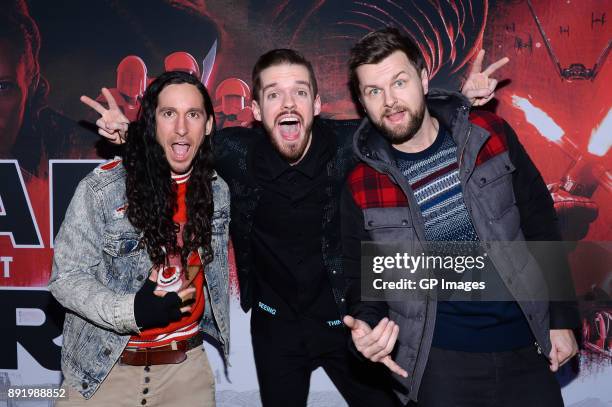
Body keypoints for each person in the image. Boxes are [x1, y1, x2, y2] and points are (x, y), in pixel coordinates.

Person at [85, 48, 506, 406]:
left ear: (317, 104)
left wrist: (461, 103)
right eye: (274, 94)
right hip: (275, 327)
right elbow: (180, 138)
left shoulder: (348, 144)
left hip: (345, 324)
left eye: (299, 93)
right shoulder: (234, 151)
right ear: (255, 110)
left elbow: (398, 116)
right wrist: (130, 133)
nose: (287, 104)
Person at [341, 27, 580, 406]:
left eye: (399, 82)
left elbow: (541, 224)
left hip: (527, 349)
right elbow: (365, 281)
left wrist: (562, 317)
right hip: (440, 368)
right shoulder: (361, 184)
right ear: (362, 102)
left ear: (422, 79)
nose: (390, 100)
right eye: (374, 91)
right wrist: (366, 327)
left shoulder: (491, 134)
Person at [48, 71, 230, 406]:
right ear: (152, 122)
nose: (180, 127)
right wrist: (132, 310)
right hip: (102, 372)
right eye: (168, 113)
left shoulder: (217, 190)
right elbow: (66, 278)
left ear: (208, 124)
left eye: (193, 114)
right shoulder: (102, 189)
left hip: (185, 374)